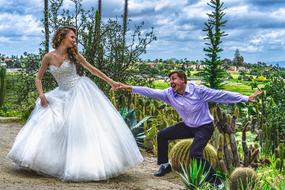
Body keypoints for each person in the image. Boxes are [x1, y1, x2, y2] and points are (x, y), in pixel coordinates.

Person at [7, 26, 143, 181]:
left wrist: (111, 82)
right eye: (72, 37)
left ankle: (84, 164)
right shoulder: (48, 57)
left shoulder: (74, 55)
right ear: (62, 36)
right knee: (50, 123)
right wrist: (42, 95)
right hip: (61, 93)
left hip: (79, 91)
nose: (74, 40)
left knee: (80, 129)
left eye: (75, 38)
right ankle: (52, 162)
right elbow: (38, 78)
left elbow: (92, 70)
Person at [117, 70, 262, 188]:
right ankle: (164, 165)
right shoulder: (169, 94)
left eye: (174, 79)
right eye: (170, 80)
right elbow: (150, 91)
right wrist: (129, 87)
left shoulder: (198, 91)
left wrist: (245, 98)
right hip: (188, 125)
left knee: (195, 152)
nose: (171, 82)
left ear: (183, 80)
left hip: (204, 127)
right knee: (162, 135)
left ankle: (216, 182)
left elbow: (221, 95)